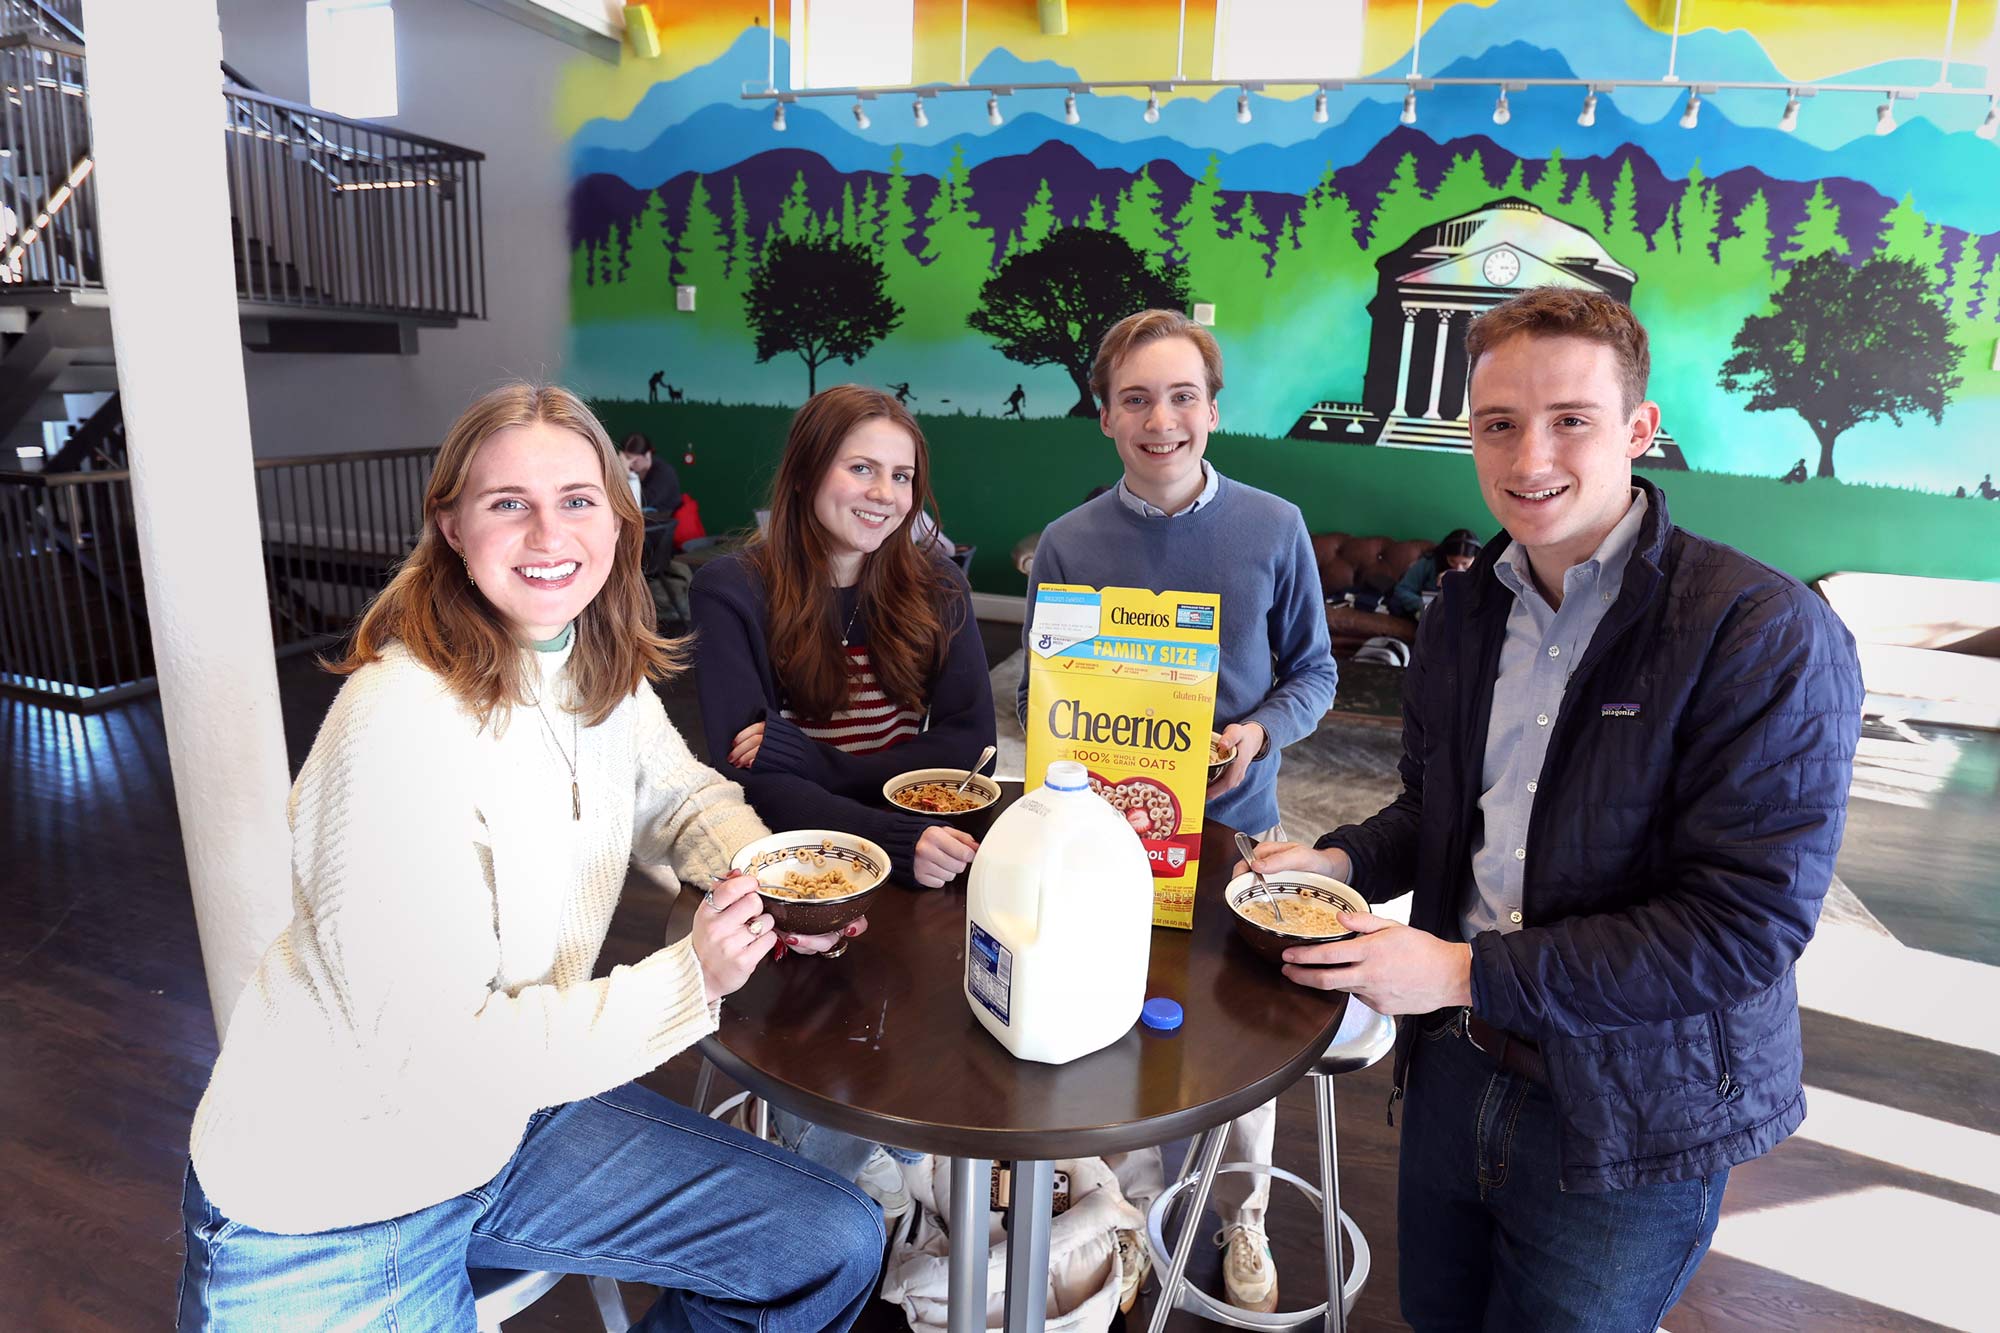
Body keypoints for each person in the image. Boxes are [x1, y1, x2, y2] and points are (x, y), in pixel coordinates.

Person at [178, 384, 884, 1331]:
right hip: (337, 1199)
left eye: (577, 499)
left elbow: (680, 796)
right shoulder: (400, 724)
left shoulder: (589, 665)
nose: (549, 534)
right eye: (509, 502)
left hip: (504, 1121)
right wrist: (690, 978)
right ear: (452, 527)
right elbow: (437, 1060)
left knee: (827, 1240)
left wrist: (773, 883)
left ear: (620, 520)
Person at [1242, 286, 1862, 1331]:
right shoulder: (1462, 610)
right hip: (1452, 1071)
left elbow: (1741, 927)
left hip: (1630, 1114)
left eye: (1569, 420)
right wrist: (1340, 862)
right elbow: (1440, 809)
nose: (1527, 460)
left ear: (1637, 429)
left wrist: (1458, 968)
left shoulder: (1759, 631)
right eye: (1496, 425)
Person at [1017, 309, 1339, 1312]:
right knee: (1123, 1029)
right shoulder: (1066, 543)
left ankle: (1239, 1213)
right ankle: (1131, 1216)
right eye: (1135, 399)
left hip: (1236, 836)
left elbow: (1315, 673)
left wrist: (1256, 731)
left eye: (1181, 395)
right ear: (1104, 416)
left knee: (1234, 1039)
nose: (1161, 419)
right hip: (1104, 843)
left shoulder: (1272, 527)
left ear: (1212, 407)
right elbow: (1038, 699)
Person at [690, 385, 995, 1190]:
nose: (884, 495)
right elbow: (756, 789)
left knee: (949, 1061)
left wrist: (808, 756)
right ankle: (843, 1220)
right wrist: (892, 823)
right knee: (836, 1096)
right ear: (805, 469)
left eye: (901, 477)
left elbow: (968, 745)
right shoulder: (732, 589)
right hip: (797, 880)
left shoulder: (939, 585)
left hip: (919, 871)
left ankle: (920, 1183)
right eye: (861, 467)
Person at [620, 431, 682, 575]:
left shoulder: (663, 473)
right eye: (626, 460)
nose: (630, 464)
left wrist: (627, 475)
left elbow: (639, 502)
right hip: (643, 527)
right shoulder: (637, 472)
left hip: (657, 534)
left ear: (647, 455)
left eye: (634, 460)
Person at [1387, 527, 1482, 618]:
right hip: (1426, 611)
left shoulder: (1481, 570)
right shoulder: (1429, 562)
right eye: (1452, 561)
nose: (1458, 568)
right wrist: (1425, 603)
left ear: (1475, 558)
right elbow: (1401, 590)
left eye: (1465, 563)